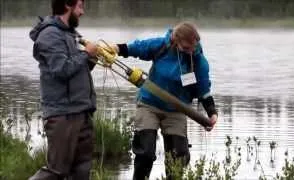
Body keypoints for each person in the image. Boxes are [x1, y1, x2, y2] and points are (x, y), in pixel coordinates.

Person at [111, 22, 218, 179]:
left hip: (177, 110)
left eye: (193, 47)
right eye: (187, 48)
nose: (191, 51)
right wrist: (117, 48)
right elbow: (138, 47)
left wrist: (212, 113)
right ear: (175, 40)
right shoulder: (162, 46)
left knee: (179, 156)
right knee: (146, 152)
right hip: (149, 104)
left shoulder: (199, 61)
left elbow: (204, 90)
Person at [29, 0, 98, 179]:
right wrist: (85, 54)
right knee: (56, 172)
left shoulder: (71, 34)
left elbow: (76, 70)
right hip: (63, 115)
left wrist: (92, 59)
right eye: (80, 6)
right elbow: (61, 69)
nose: (82, 12)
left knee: (81, 172)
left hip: (82, 111)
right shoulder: (50, 35)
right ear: (68, 5)